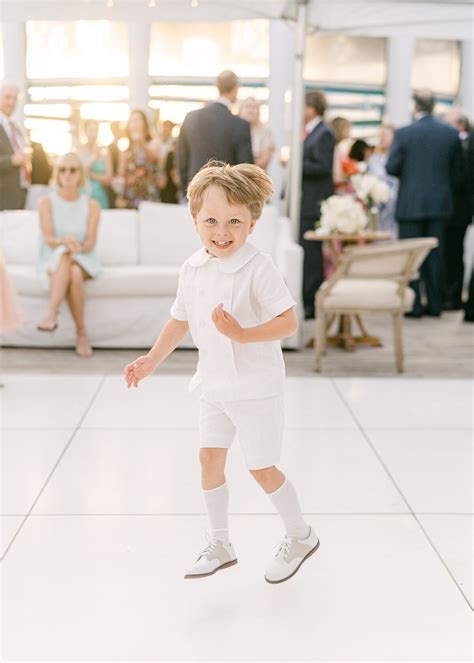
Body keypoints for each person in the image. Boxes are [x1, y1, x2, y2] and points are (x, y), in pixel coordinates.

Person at [124, 161, 320, 584]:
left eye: (234, 220)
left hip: (256, 388)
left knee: (261, 468)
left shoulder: (259, 266)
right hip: (213, 385)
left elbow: (288, 322)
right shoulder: (192, 268)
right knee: (208, 458)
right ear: (195, 221)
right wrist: (152, 360)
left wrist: (244, 334)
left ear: (253, 222)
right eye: (211, 220)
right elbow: (179, 319)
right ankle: (219, 543)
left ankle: (300, 535)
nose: (222, 231)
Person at [386, 89, 462, 318]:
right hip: (440, 205)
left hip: (410, 205)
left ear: (415, 106)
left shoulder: (404, 133)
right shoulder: (450, 134)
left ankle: (414, 304)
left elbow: (391, 167)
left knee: (411, 256)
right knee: (436, 255)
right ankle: (436, 304)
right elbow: (457, 171)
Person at [37, 152, 101, 357]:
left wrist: (77, 247)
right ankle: (82, 333)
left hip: (84, 257)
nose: (67, 174)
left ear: (80, 174)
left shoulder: (92, 205)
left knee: (71, 261)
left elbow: (90, 243)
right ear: (57, 174)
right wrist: (64, 242)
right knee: (70, 269)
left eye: (72, 170)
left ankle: (51, 312)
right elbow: (48, 238)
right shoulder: (45, 202)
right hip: (55, 255)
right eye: (62, 169)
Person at [176, 70, 253, 194]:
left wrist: (186, 190)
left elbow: (181, 159)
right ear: (235, 88)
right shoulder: (239, 125)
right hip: (227, 195)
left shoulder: (191, 118)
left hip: (195, 192)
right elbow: (245, 168)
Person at [300, 90, 335, 319]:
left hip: (314, 202)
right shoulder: (312, 132)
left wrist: (295, 163)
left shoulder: (323, 133)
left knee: (312, 255)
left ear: (311, 108)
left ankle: (312, 301)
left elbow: (323, 166)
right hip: (307, 200)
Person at [442, 109, 472, 310]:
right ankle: (448, 295)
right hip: (449, 208)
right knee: (449, 253)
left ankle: (453, 297)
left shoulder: (467, 144)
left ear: (460, 125)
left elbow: (464, 178)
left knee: (455, 253)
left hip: (460, 209)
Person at [117, 110, 166, 209]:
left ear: (145, 123)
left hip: (149, 194)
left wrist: (141, 142)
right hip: (131, 196)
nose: (134, 124)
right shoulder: (126, 147)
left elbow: (152, 159)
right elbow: (121, 173)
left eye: (137, 120)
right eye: (131, 121)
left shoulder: (154, 142)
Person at [0, 82, 31, 210]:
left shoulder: (15, 128)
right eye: (7, 97)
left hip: (20, 194)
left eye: (14, 98)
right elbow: (13, 159)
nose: (11, 102)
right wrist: (11, 161)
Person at [367, 124, 399, 236]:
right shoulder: (373, 159)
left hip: (396, 206)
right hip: (379, 207)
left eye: (385, 135)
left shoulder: (400, 158)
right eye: (380, 135)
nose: (382, 138)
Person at [77, 119, 112, 209]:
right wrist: (93, 158)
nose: (94, 134)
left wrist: (91, 174)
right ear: (84, 131)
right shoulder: (78, 151)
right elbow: (78, 174)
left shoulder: (105, 151)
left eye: (96, 130)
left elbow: (108, 178)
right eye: (91, 130)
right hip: (82, 197)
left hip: (100, 198)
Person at [239, 96, 275, 170]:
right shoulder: (234, 130)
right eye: (247, 107)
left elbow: (266, 157)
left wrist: (248, 171)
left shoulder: (265, 131)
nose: (250, 110)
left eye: (254, 107)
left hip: (257, 174)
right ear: (240, 110)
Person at [330, 116, 353, 193]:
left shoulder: (338, 148)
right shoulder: (334, 149)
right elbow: (336, 175)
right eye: (347, 129)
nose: (349, 132)